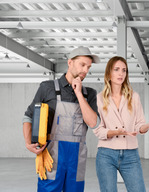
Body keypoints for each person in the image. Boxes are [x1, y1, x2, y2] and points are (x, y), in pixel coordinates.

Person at [22, 46, 101, 192]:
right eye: (82, 65)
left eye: (88, 67)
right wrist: (28, 143)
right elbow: (28, 116)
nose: (85, 70)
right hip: (52, 156)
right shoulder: (47, 87)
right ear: (70, 63)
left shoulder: (89, 94)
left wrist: (78, 93)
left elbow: (93, 123)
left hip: (76, 160)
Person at [93, 56, 149, 192]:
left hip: (130, 154)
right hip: (106, 154)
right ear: (109, 73)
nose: (121, 73)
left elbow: (139, 125)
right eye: (117, 69)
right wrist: (116, 132)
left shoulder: (134, 97)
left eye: (124, 70)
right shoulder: (99, 99)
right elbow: (98, 129)